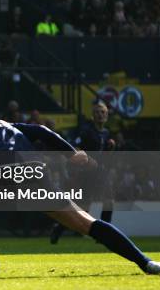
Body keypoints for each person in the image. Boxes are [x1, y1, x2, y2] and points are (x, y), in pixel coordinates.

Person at [0, 112, 160, 276]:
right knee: (85, 222)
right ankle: (145, 262)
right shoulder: (0, 123)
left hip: (4, 173)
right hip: (34, 172)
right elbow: (40, 130)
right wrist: (71, 153)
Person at [50, 101, 115, 244]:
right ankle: (59, 228)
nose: (100, 115)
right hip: (86, 174)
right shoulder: (86, 131)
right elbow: (75, 148)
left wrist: (110, 148)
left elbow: (103, 156)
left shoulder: (106, 133)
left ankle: (105, 236)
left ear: (107, 115)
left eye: (102, 112)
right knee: (83, 208)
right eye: (97, 112)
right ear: (92, 115)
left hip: (100, 172)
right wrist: (87, 160)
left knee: (109, 202)